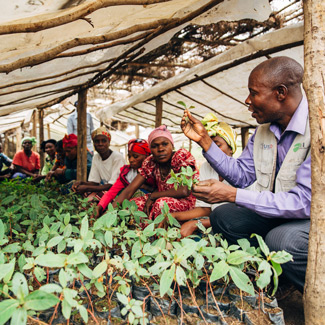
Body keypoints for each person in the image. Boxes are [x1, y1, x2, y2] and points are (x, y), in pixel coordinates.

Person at [181, 56, 310, 294]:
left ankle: (311, 291)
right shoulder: (263, 131)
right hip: (278, 213)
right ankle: (268, 279)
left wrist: (232, 194)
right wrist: (206, 142)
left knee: (281, 241)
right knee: (224, 217)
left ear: (280, 92)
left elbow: (304, 202)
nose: (247, 101)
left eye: (253, 93)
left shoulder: (318, 128)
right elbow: (242, 175)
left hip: (309, 219)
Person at [114, 125, 199, 220]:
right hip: (160, 198)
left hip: (185, 203)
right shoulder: (151, 162)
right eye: (155, 146)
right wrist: (109, 214)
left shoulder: (181, 156)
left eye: (165, 144)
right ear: (150, 150)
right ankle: (141, 232)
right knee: (133, 205)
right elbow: (129, 190)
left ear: (172, 145)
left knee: (161, 204)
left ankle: (157, 233)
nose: (160, 149)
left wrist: (153, 196)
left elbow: (184, 190)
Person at [173, 113, 236, 237]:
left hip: (233, 224)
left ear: (231, 148)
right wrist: (174, 215)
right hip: (212, 220)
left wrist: (195, 224)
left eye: (217, 145)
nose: (212, 151)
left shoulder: (242, 173)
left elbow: (239, 217)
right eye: (208, 146)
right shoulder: (207, 167)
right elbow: (206, 209)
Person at [95, 138, 153, 217]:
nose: (131, 160)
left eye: (135, 156)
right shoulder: (127, 173)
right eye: (129, 156)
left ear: (147, 156)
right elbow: (112, 192)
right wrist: (100, 207)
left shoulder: (153, 172)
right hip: (128, 203)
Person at [72, 127, 125, 197]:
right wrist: (82, 183)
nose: (100, 144)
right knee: (79, 191)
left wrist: (86, 187)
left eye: (104, 141)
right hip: (107, 189)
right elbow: (94, 182)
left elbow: (113, 186)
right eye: (97, 141)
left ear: (109, 142)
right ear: (93, 144)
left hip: (121, 192)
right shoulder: (96, 157)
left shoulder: (117, 157)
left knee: (93, 197)